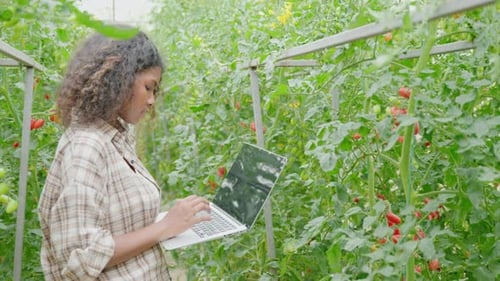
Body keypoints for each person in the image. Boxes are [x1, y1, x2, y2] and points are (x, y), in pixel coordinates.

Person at [38, 29, 211, 280]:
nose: (152, 100)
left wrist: (175, 218)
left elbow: (113, 219)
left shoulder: (113, 136)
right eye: (148, 87)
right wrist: (164, 227)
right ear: (118, 79)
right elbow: (80, 259)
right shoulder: (87, 147)